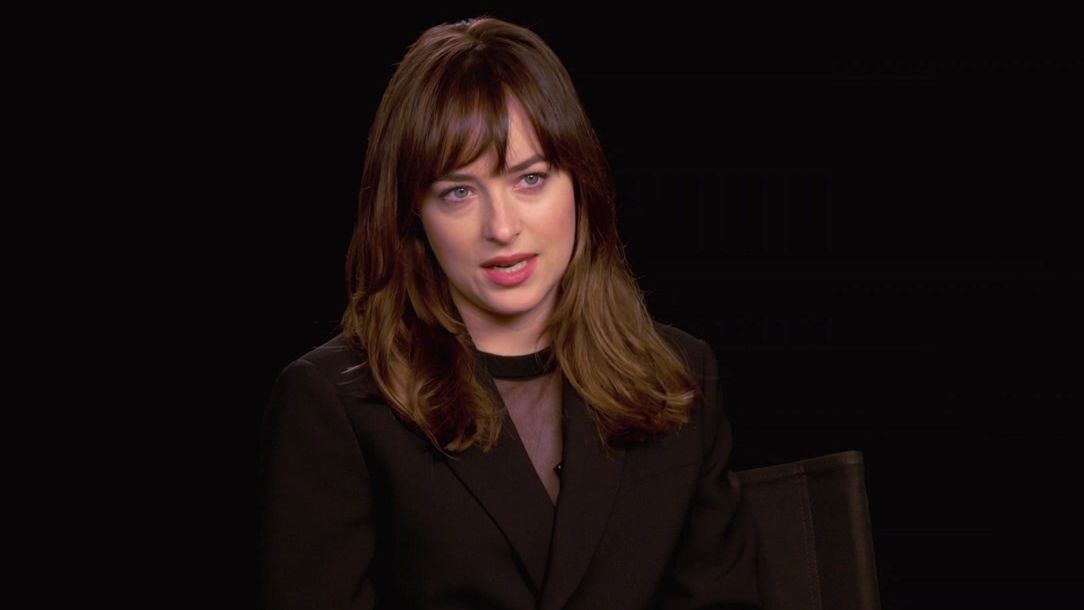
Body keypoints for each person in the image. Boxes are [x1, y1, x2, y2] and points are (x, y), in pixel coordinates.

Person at [259, 15, 761, 610]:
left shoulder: (680, 376)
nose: (501, 227)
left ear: (580, 181)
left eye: (530, 179)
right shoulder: (334, 402)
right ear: (412, 213)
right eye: (458, 191)